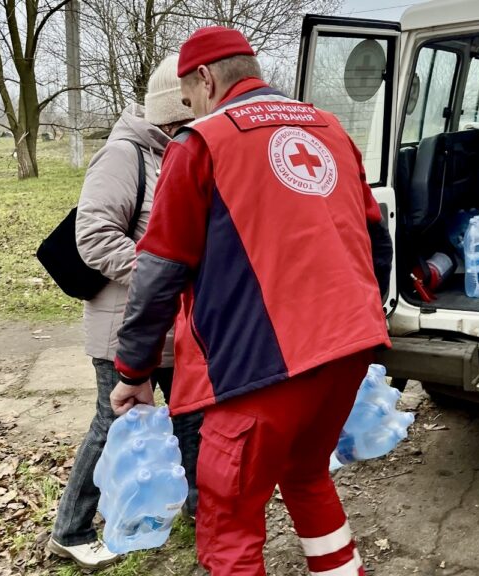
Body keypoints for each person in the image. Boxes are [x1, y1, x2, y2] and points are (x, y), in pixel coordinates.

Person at [110, 27, 394, 576]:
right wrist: (362, 321)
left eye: (189, 101)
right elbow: (374, 242)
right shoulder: (330, 129)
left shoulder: (200, 144)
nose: (190, 113)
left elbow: (159, 270)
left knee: (228, 517)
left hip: (260, 369)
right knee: (308, 475)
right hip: (349, 349)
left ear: (206, 79)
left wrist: (133, 370)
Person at [47, 54, 202, 571]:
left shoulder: (179, 155)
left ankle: (198, 512)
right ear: (169, 115)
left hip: (172, 325)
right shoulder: (125, 155)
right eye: (187, 119)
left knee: (190, 417)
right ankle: (71, 529)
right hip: (123, 323)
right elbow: (92, 238)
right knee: (112, 425)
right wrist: (160, 275)